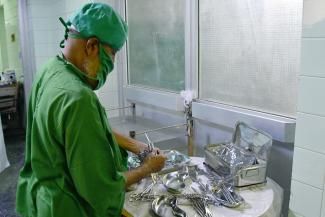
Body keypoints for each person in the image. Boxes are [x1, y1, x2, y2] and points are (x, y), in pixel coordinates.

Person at [16, 3, 166, 217]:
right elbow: (101, 190)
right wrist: (147, 168)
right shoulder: (78, 98)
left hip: (41, 197)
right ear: (92, 46)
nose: (112, 64)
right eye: (112, 53)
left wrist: (138, 146)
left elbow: (88, 130)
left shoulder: (51, 70)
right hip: (67, 207)